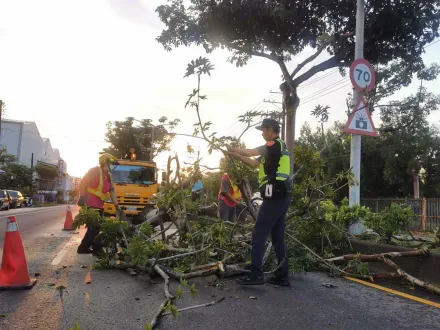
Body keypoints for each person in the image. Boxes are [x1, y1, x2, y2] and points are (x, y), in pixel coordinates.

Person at [226, 118, 292, 286]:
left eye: (263, 130)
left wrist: (232, 148)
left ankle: (256, 274)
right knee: (277, 237)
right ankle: (282, 275)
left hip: (275, 197)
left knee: (258, 233)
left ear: (270, 129)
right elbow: (253, 163)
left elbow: (250, 153)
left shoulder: (274, 145)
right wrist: (235, 155)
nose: (262, 133)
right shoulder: (273, 151)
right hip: (281, 196)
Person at [77, 153, 121, 256]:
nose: (112, 166)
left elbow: (112, 191)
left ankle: (83, 248)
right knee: (95, 227)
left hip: (99, 206)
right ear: (105, 162)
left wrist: (117, 206)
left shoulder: (109, 177)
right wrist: (82, 196)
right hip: (90, 204)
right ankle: (96, 249)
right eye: (111, 163)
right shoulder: (95, 171)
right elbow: (82, 183)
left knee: (95, 228)